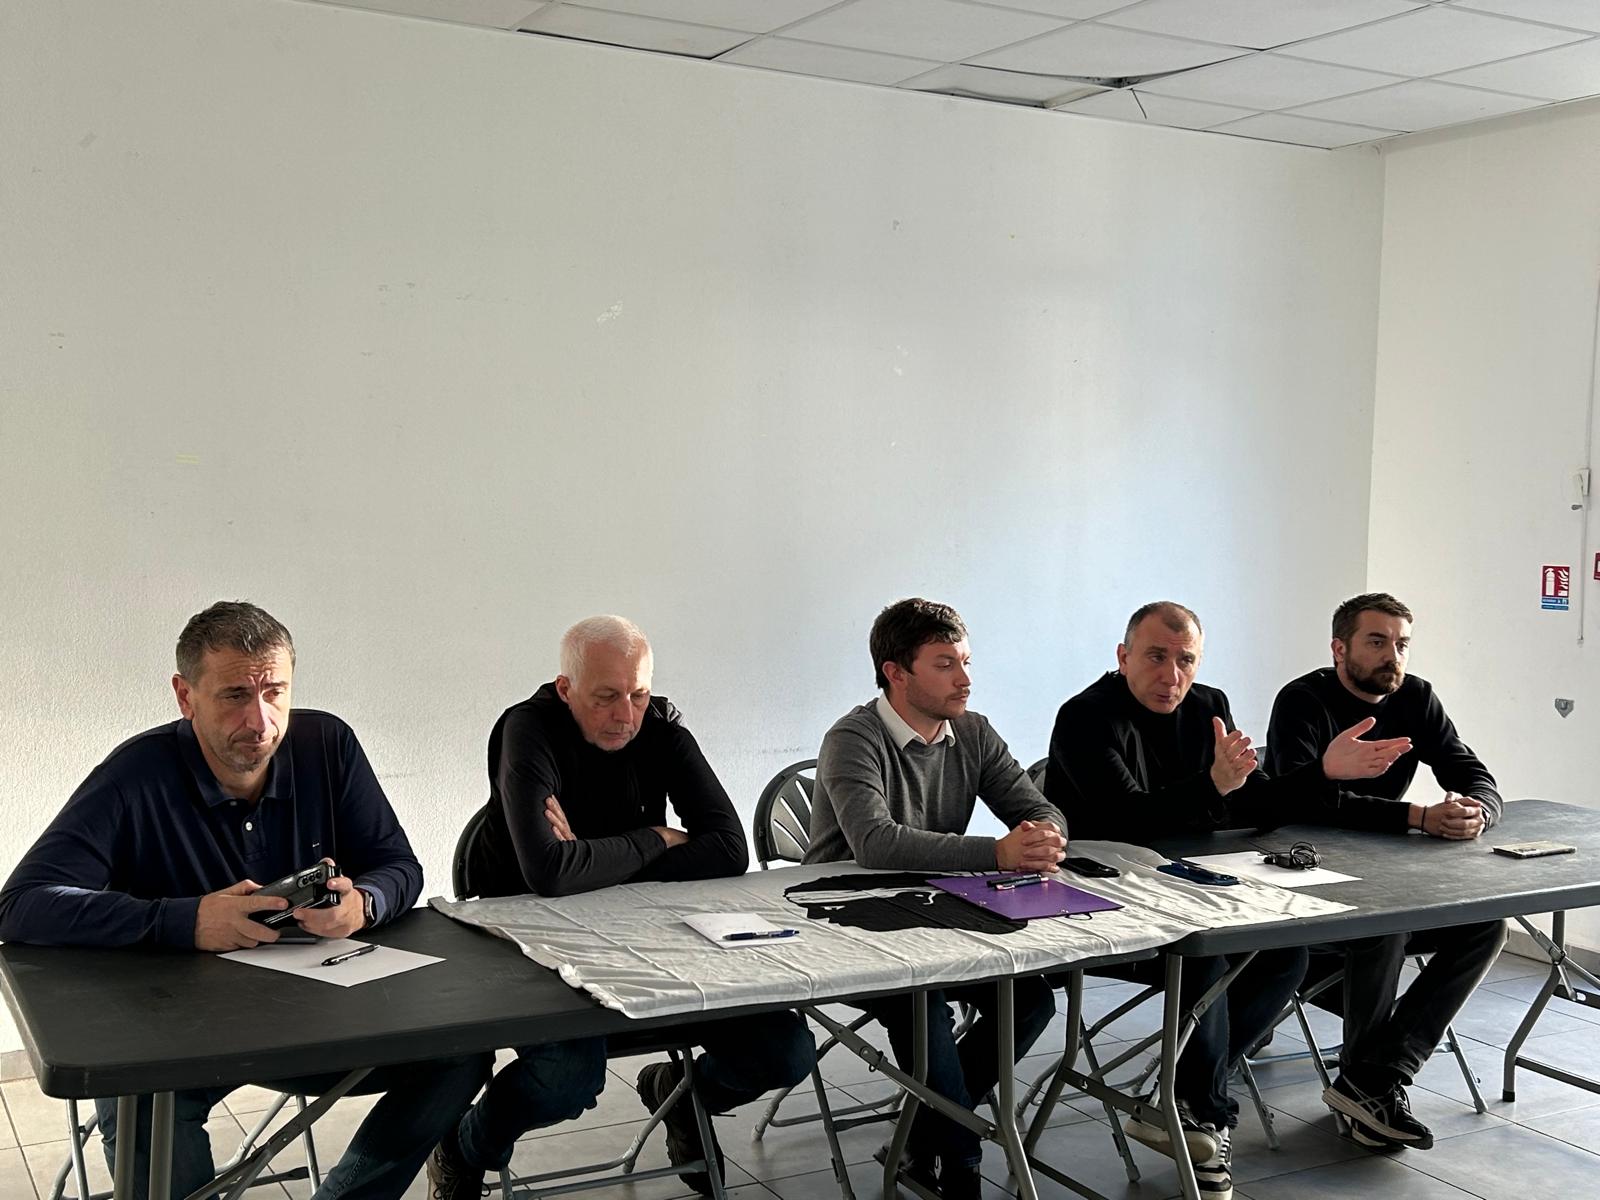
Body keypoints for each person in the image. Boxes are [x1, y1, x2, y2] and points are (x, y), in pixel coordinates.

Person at [0, 601, 490, 1200]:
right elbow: (21, 904)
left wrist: (363, 901)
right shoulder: (135, 774)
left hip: (317, 1016)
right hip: (176, 1034)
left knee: (459, 1057)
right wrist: (186, 920)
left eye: (275, 692)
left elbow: (400, 867)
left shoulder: (327, 744)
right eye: (235, 695)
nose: (261, 721)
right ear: (185, 697)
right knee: (145, 1106)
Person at [428, 615, 814, 1200]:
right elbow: (548, 872)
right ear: (566, 689)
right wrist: (656, 838)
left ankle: (679, 1095)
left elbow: (729, 850)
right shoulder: (528, 728)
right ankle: (464, 1146)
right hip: (540, 942)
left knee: (784, 1050)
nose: (625, 715)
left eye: (638, 694)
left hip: (655, 938)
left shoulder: (659, 725)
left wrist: (590, 856)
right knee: (565, 1080)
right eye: (605, 697)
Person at [1047, 601, 1409, 1200]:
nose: (1172, 676)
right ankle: (1202, 1113)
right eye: (1156, 657)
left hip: (1194, 885)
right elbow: (1126, 819)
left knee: (1284, 955)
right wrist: (1213, 786)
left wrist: (1321, 772)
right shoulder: (1085, 716)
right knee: (1208, 958)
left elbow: (1256, 803)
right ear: (1123, 657)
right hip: (1108, 900)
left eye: (1185, 660)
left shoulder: (1208, 706)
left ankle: (1184, 1103)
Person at [805, 598, 1064, 1200]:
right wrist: (997, 853)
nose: (964, 679)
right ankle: (960, 1160)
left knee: (1031, 1001)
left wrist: (1047, 836)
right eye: (945, 664)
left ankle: (924, 1138)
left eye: (966, 662)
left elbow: (1035, 807)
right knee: (924, 1003)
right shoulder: (852, 737)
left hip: (939, 912)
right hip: (847, 920)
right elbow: (875, 843)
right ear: (896, 672)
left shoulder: (973, 731)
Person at [1268, 592, 1507, 1151]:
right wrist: (1417, 817)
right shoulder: (1302, 701)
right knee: (1386, 924)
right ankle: (1370, 1085)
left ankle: (1374, 1078)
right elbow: (1299, 803)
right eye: (1376, 642)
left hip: (1381, 874)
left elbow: (1473, 773)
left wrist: (1477, 812)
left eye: (1401, 645)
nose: (1391, 656)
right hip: (1302, 881)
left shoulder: (1416, 697)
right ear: (1339, 648)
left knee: (1485, 924)